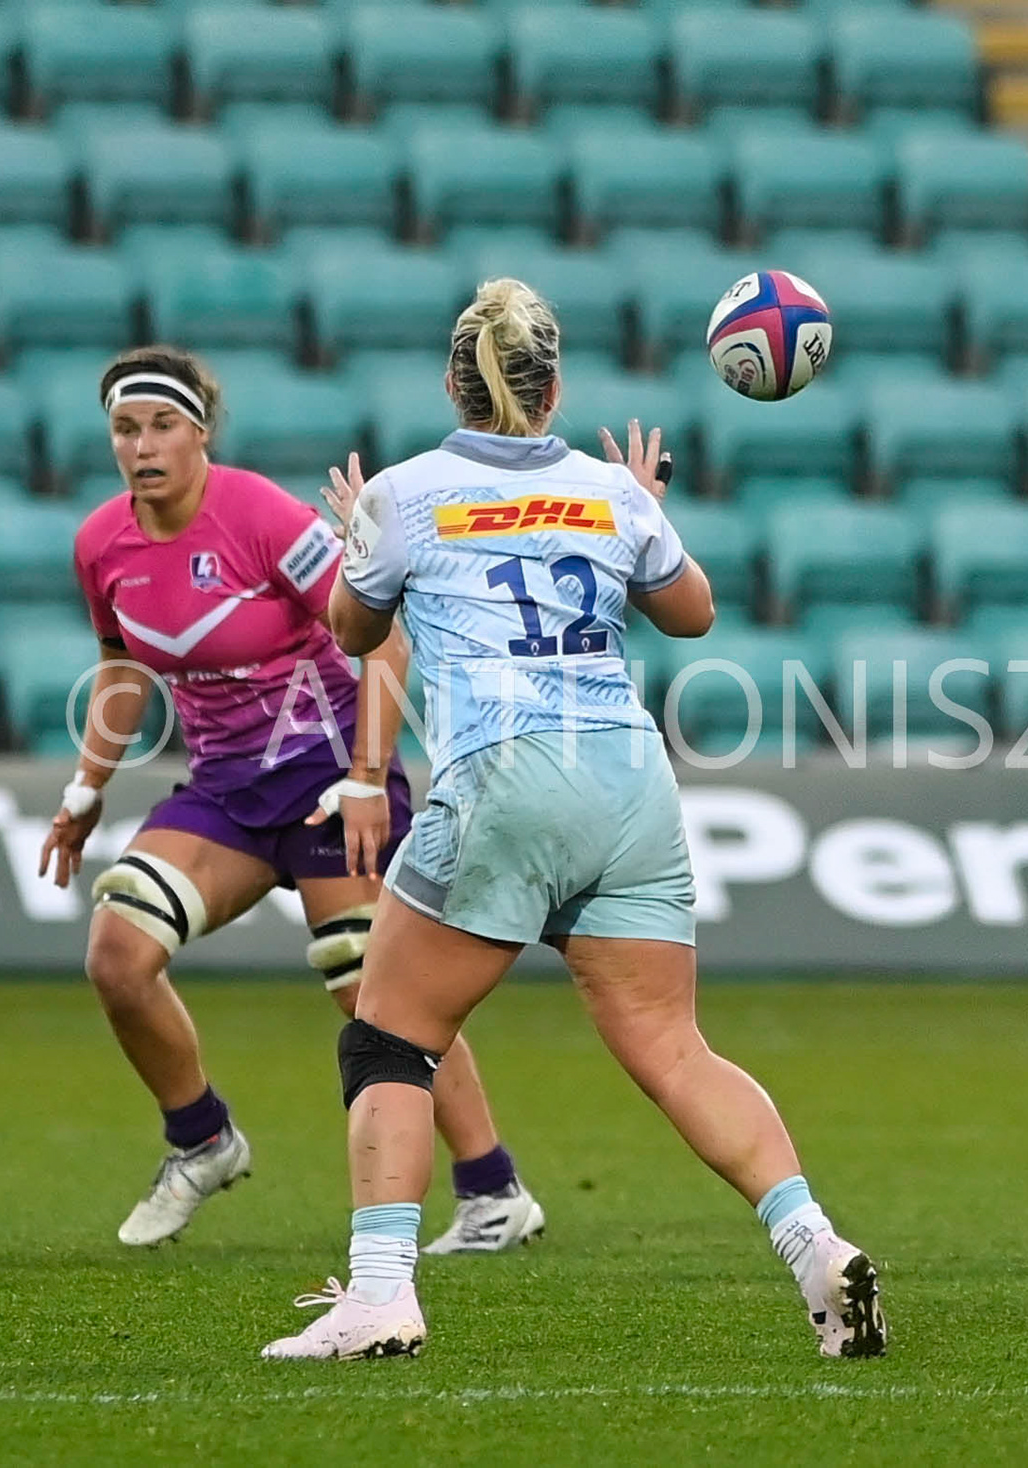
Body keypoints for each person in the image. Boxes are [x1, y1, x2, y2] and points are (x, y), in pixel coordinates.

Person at [261, 281, 886, 1361]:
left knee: (389, 1035)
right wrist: (643, 504)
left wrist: (355, 531)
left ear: (452, 384)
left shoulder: (405, 493)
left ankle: (377, 1294)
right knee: (676, 1049)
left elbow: (356, 630)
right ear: (557, 389)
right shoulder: (610, 491)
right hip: (629, 781)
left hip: (505, 774)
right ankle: (816, 1248)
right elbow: (691, 615)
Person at [38, 345, 545, 1253]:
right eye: (125, 428)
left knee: (372, 985)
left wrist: (365, 776)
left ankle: (493, 1190)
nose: (142, 445)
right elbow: (121, 667)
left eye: (162, 426)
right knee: (118, 953)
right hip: (229, 792)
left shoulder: (262, 515)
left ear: (200, 433)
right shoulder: (99, 543)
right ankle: (202, 1141)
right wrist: (85, 789)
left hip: (327, 775)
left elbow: (381, 642)